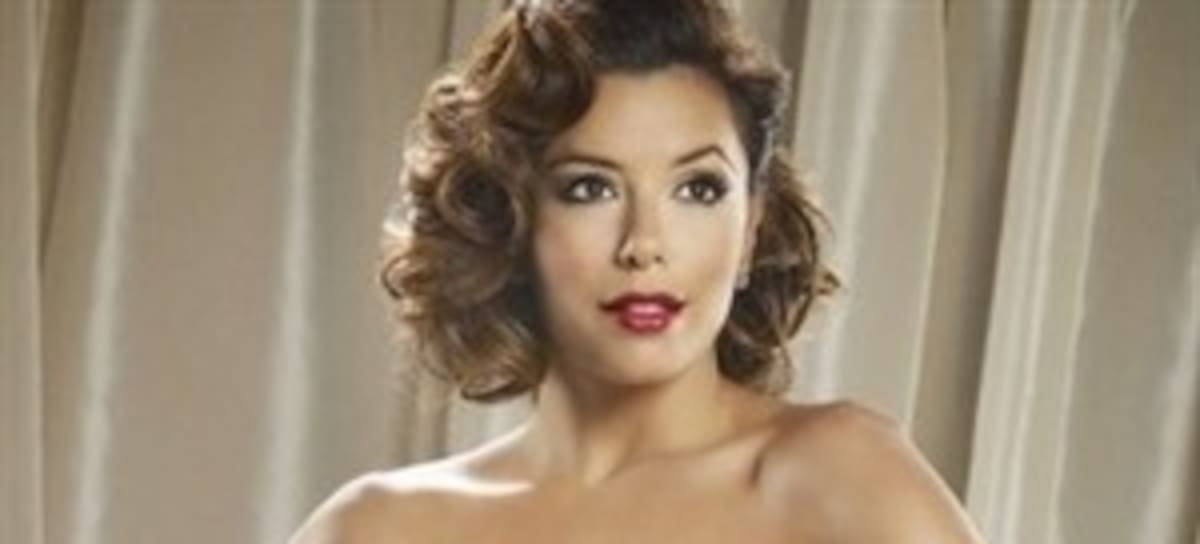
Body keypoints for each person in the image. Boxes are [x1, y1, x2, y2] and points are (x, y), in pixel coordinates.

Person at [292, 0, 985, 542]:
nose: (645, 244)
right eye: (590, 188)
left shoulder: (836, 476)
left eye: (698, 189)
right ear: (512, 223)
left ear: (751, 230)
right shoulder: (383, 526)